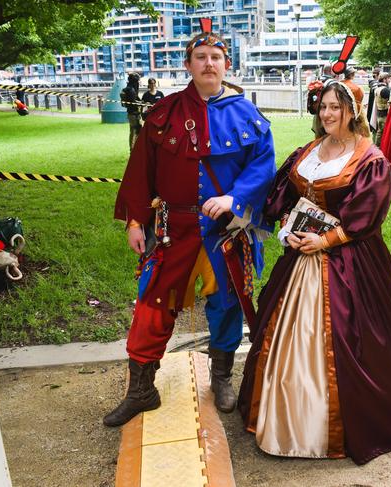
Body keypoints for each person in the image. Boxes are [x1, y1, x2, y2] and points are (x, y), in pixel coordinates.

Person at [238, 80, 391, 465]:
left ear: (353, 111)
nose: (328, 114)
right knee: (279, 336)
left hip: (350, 263)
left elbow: (365, 216)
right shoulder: (308, 152)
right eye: (323, 107)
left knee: (353, 341)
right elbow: (281, 198)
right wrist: (288, 224)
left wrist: (324, 240)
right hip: (299, 259)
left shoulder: (370, 159)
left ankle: (330, 427)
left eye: (336, 107)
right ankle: (281, 419)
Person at [105, 30, 276, 427]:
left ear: (226, 64)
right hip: (172, 230)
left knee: (227, 303)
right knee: (151, 304)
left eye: (216, 56)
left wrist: (235, 199)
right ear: (188, 65)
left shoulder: (246, 114)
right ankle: (141, 390)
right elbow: (140, 170)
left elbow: (263, 166)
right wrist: (135, 220)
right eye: (200, 56)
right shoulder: (163, 112)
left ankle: (221, 379)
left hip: (225, 231)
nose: (208, 63)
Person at [120, 72, 141, 151]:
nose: (138, 83)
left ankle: (133, 148)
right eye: (137, 81)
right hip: (133, 113)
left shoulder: (129, 88)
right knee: (135, 130)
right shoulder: (131, 89)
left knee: (133, 131)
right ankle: (133, 149)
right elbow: (134, 101)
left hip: (133, 113)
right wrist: (141, 103)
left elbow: (136, 99)